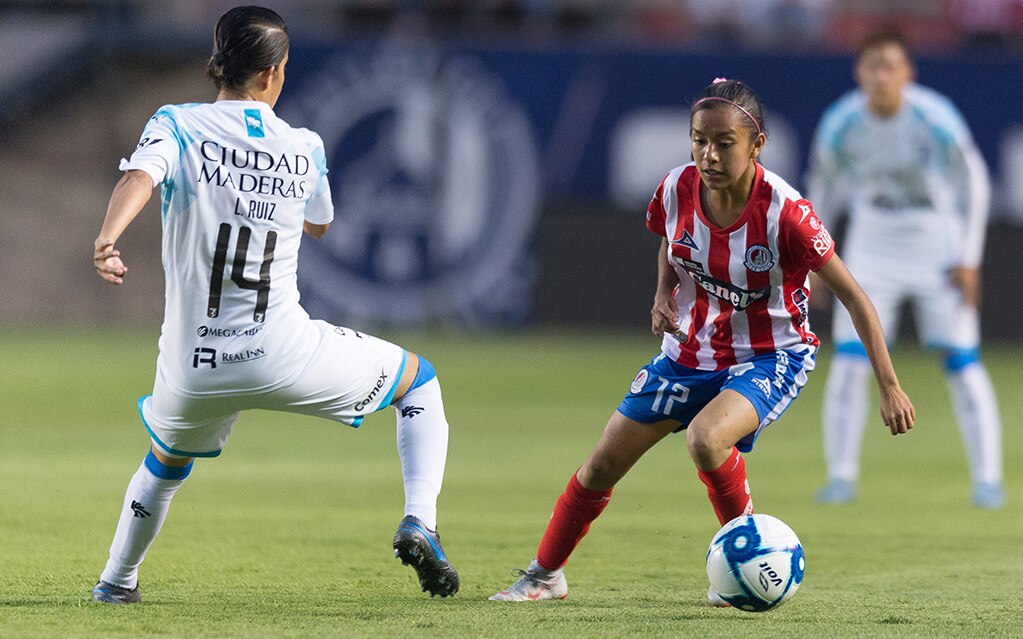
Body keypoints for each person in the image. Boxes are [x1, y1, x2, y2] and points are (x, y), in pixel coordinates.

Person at [489, 78, 916, 604]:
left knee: (706, 438)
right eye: (698, 141)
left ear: (757, 144)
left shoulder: (788, 214)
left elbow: (856, 299)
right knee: (602, 463)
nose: (708, 155)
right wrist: (663, 292)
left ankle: (747, 554)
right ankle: (544, 577)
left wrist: (890, 386)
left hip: (771, 354)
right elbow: (671, 240)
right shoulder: (675, 187)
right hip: (691, 350)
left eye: (724, 143)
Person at [90, 6, 458, 604]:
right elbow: (320, 224)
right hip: (283, 349)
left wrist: (107, 239)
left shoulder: (178, 125)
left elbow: (139, 178)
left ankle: (116, 580)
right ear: (271, 75)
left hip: (196, 364)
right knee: (420, 382)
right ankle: (421, 519)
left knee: (163, 464)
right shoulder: (303, 146)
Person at [807, 31, 1004, 509]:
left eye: (890, 66)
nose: (880, 76)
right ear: (859, 73)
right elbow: (822, 186)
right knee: (853, 361)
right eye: (872, 66)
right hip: (873, 239)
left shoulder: (933, 116)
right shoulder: (841, 122)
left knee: (960, 359)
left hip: (935, 239)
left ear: (907, 73)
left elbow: (973, 180)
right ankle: (841, 477)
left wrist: (970, 257)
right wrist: (813, 259)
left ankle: (987, 479)